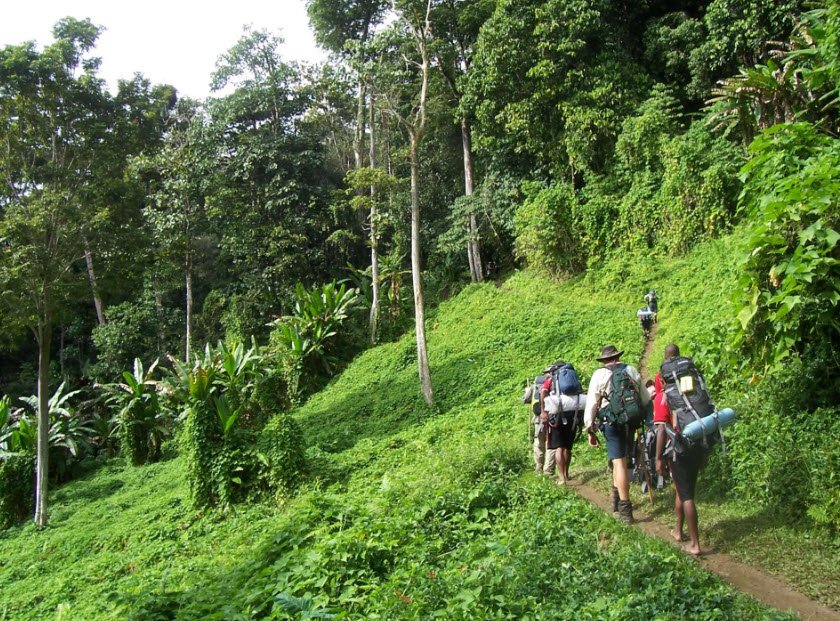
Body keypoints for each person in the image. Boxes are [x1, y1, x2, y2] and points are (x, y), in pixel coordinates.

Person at [584, 345, 651, 523]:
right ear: (618, 357)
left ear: (604, 360)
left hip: (611, 422)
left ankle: (625, 509)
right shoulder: (631, 370)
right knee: (622, 460)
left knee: (618, 462)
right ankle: (615, 500)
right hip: (629, 421)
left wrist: (589, 429)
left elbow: (591, 403)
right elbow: (645, 399)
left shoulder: (599, 375)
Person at [654, 343, 705, 556]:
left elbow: (661, 431)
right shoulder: (692, 389)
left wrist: (658, 458)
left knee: (687, 496)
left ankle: (695, 544)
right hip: (700, 442)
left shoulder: (665, 397)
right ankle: (678, 530)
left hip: (679, 449)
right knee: (683, 488)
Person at [540, 374, 579, 485]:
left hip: (557, 417)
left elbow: (543, 392)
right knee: (567, 447)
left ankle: (562, 478)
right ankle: (567, 473)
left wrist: (543, 410)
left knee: (559, 448)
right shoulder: (573, 379)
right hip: (573, 416)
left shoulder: (551, 379)